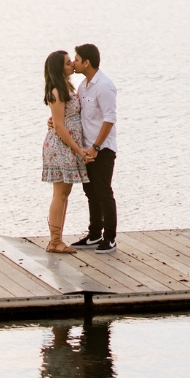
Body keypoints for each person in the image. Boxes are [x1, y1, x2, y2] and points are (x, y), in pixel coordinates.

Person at [71, 43, 118, 254]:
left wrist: (96, 147)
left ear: (87, 62)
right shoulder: (83, 86)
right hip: (86, 149)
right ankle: (94, 234)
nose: (74, 62)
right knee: (90, 192)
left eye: (77, 59)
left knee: (104, 192)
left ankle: (110, 238)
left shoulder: (104, 86)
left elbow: (109, 119)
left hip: (102, 148)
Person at [42, 49, 88, 254]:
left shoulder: (67, 86)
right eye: (68, 62)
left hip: (67, 145)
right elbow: (59, 126)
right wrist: (79, 149)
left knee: (65, 193)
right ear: (59, 68)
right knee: (60, 194)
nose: (71, 64)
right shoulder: (56, 91)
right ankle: (54, 240)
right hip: (61, 146)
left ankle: (57, 238)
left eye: (71, 61)